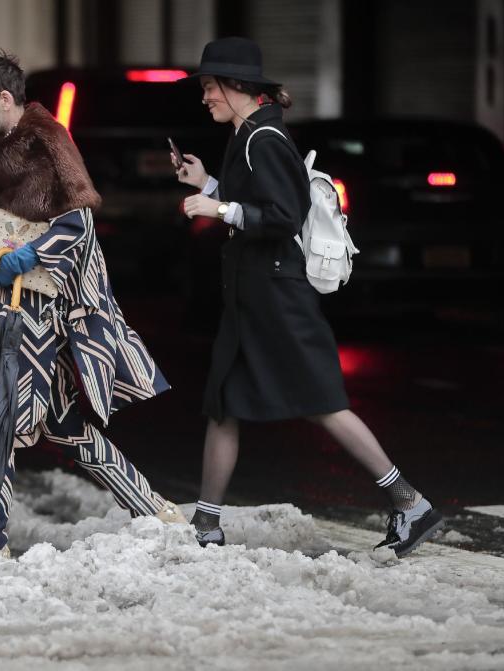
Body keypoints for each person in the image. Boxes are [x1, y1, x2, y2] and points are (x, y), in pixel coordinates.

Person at [175, 37, 443, 557]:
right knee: (224, 402)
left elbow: (281, 216)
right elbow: (253, 201)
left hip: (278, 297)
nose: (204, 96)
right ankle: (206, 525)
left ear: (236, 86)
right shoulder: (247, 133)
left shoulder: (264, 138)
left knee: (324, 402)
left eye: (209, 86)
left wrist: (218, 211)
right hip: (252, 297)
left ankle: (409, 503)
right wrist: (208, 183)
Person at [0, 52, 186, 563]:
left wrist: (29, 256)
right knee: (60, 422)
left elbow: (79, 219)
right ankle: (154, 506)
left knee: (2, 409)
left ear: (2, 99)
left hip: (37, 305)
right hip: (7, 297)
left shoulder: (47, 139)